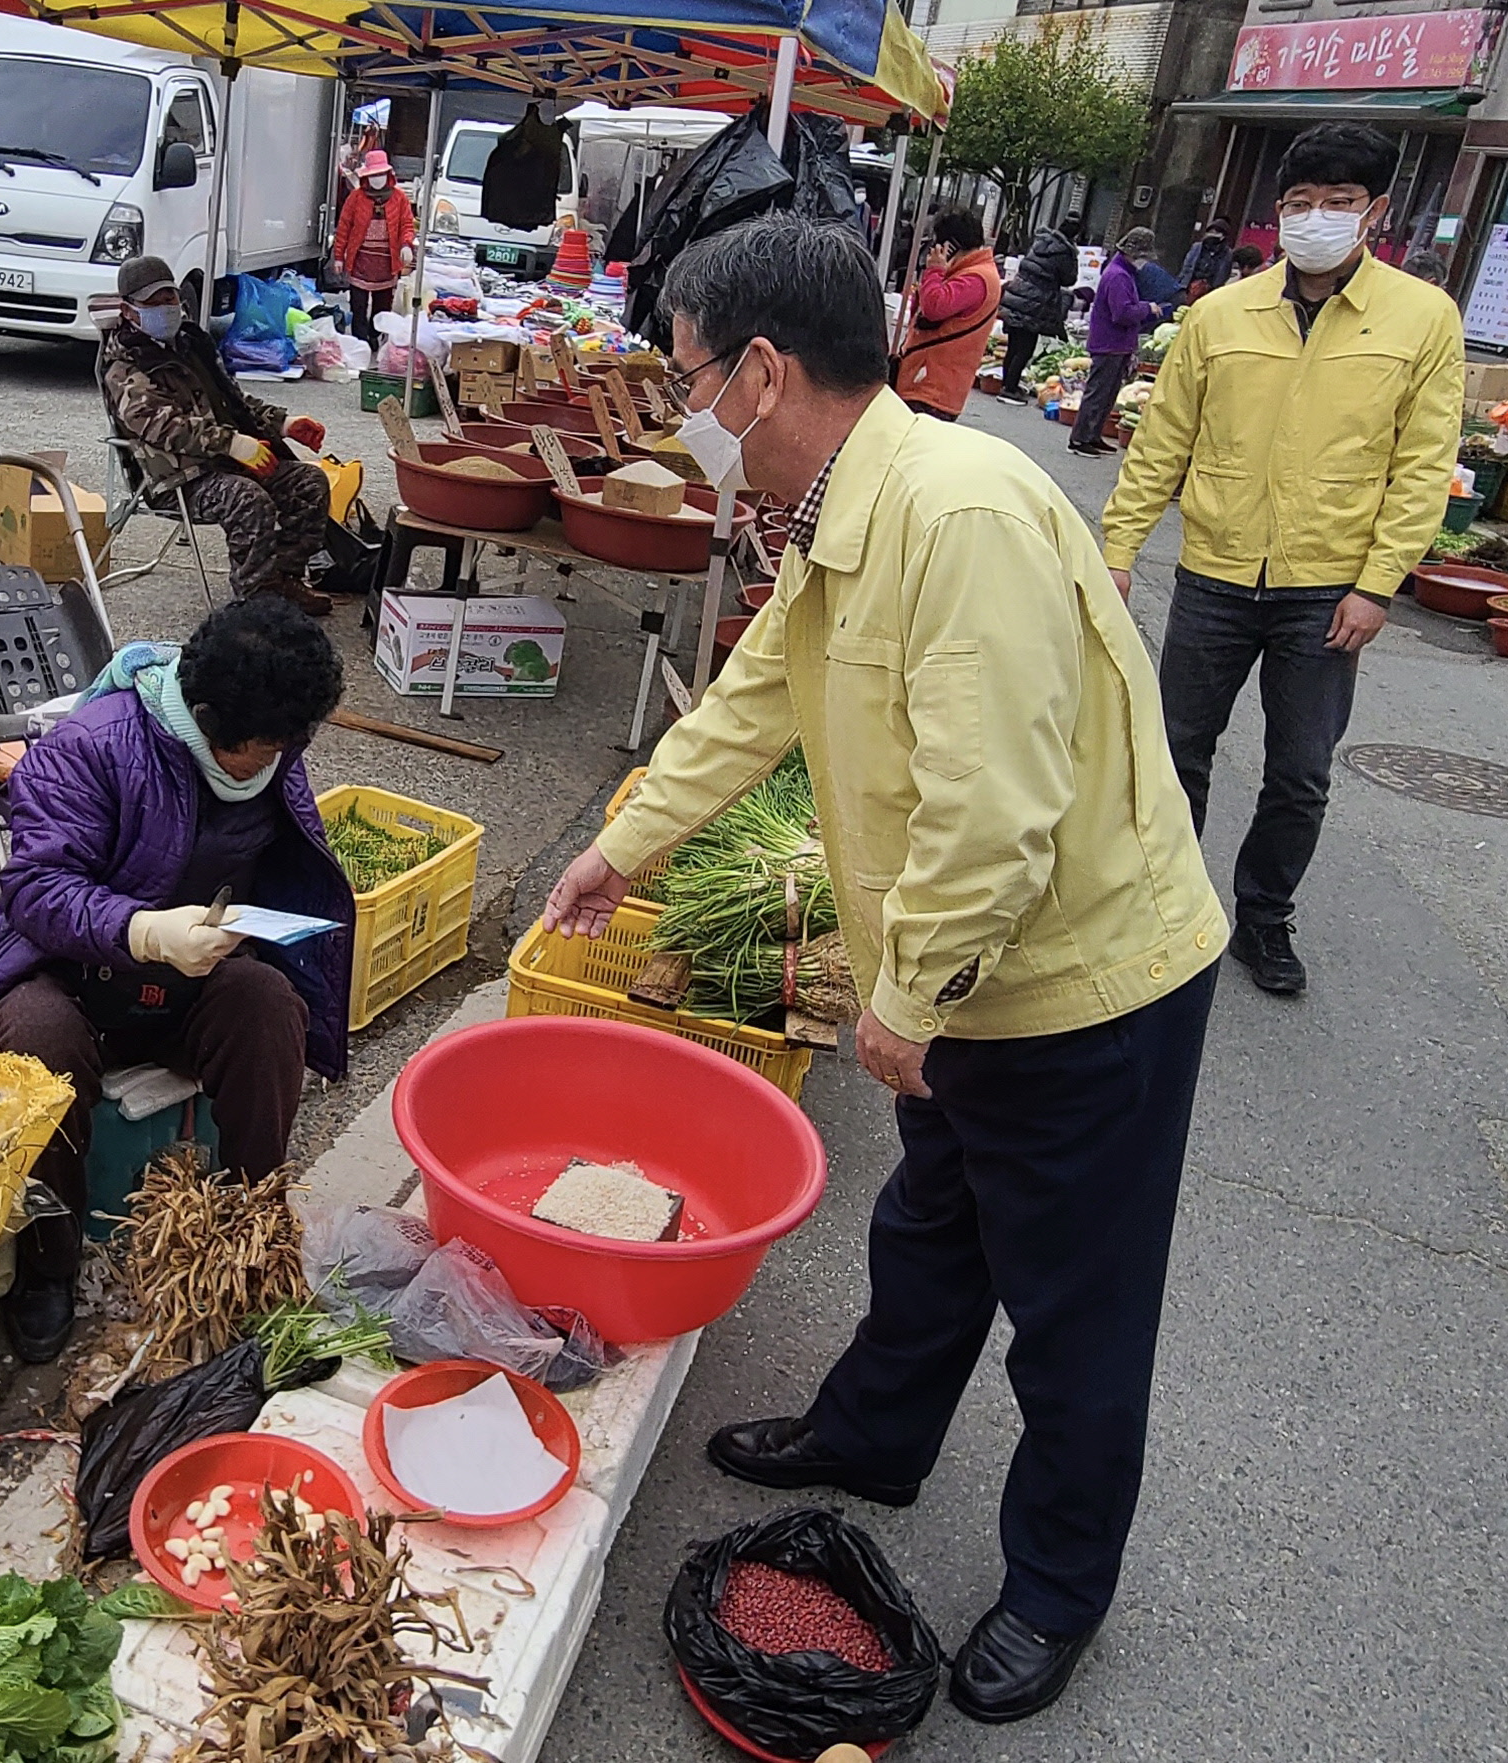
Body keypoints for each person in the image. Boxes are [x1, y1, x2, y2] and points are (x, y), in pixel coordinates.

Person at [543, 214, 1225, 1726]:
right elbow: (756, 695)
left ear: (766, 369)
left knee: (1075, 1301)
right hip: (970, 972)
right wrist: (627, 842)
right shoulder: (849, 509)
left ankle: (1054, 1585)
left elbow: (996, 808)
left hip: (1077, 981)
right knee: (935, 1224)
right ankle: (874, 1429)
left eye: (690, 379)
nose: (685, 415)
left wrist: (907, 1002)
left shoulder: (957, 510)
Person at [0, 597, 352, 1362]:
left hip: (192, 978)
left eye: (294, 741)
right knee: (38, 1040)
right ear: (208, 717)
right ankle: (48, 1263)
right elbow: (35, 890)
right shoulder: (92, 745)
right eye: (267, 745)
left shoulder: (270, 742)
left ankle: (250, 1229)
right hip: (74, 973)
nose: (283, 757)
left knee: (268, 1005)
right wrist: (142, 930)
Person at [1101, 123, 1463, 996]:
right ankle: (1169, 909)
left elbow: (1421, 467)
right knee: (1175, 750)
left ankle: (1262, 919)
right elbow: (1163, 441)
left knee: (1299, 772)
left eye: (1339, 203)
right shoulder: (1221, 315)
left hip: (1326, 590)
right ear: (1276, 212)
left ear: (1375, 212)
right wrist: (1115, 549)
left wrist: (1378, 585)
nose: (1316, 218)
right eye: (1300, 203)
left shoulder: (1420, 319)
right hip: (1214, 576)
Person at [96, 255, 334, 616]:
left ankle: (285, 579)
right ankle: (256, 602)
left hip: (228, 461)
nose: (166, 307)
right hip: (180, 477)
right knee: (246, 497)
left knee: (309, 481)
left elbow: (233, 402)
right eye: (153, 302)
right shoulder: (124, 366)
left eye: (169, 298)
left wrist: (284, 423)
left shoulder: (192, 345)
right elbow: (163, 425)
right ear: (129, 311)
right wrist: (232, 443)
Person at [891, 208, 1001, 422]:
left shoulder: (976, 279)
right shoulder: (969, 271)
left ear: (951, 244)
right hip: (924, 382)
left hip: (933, 388)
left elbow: (933, 308)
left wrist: (934, 270)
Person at [1068, 228, 1165, 456]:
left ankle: (1092, 435)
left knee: (1107, 394)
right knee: (1098, 393)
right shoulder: (1119, 276)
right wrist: (1146, 308)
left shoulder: (1123, 273)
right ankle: (1081, 438)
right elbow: (1121, 313)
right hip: (1109, 343)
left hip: (1116, 343)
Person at [994, 211, 1080, 403]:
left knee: (1014, 345)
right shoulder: (1064, 252)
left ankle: (1007, 383)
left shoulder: (1042, 241)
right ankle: (1010, 388)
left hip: (1018, 294)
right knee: (1025, 348)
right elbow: (1069, 279)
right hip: (1035, 302)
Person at [331, 148, 415, 342]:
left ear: (388, 175)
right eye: (374, 175)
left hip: (386, 263)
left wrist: (406, 245)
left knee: (382, 306)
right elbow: (344, 227)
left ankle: (374, 335)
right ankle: (360, 339)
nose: (377, 179)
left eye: (381, 175)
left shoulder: (399, 198)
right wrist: (338, 257)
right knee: (358, 306)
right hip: (361, 261)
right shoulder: (356, 198)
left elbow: (407, 225)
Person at [1179, 220, 1232, 298]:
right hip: (1189, 287)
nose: (1212, 236)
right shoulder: (1197, 247)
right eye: (1210, 232)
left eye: (1216, 233)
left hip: (1209, 292)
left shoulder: (1227, 253)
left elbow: (1222, 275)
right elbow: (1187, 267)